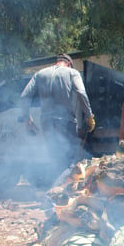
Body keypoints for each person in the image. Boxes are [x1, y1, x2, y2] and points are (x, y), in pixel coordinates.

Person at [20, 54, 95, 183]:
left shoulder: (40, 74)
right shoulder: (72, 72)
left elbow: (24, 97)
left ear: (58, 62)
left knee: (54, 158)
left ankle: (55, 190)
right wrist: (89, 116)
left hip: (47, 122)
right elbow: (81, 93)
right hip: (66, 122)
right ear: (69, 64)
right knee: (69, 160)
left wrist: (27, 118)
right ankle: (64, 191)